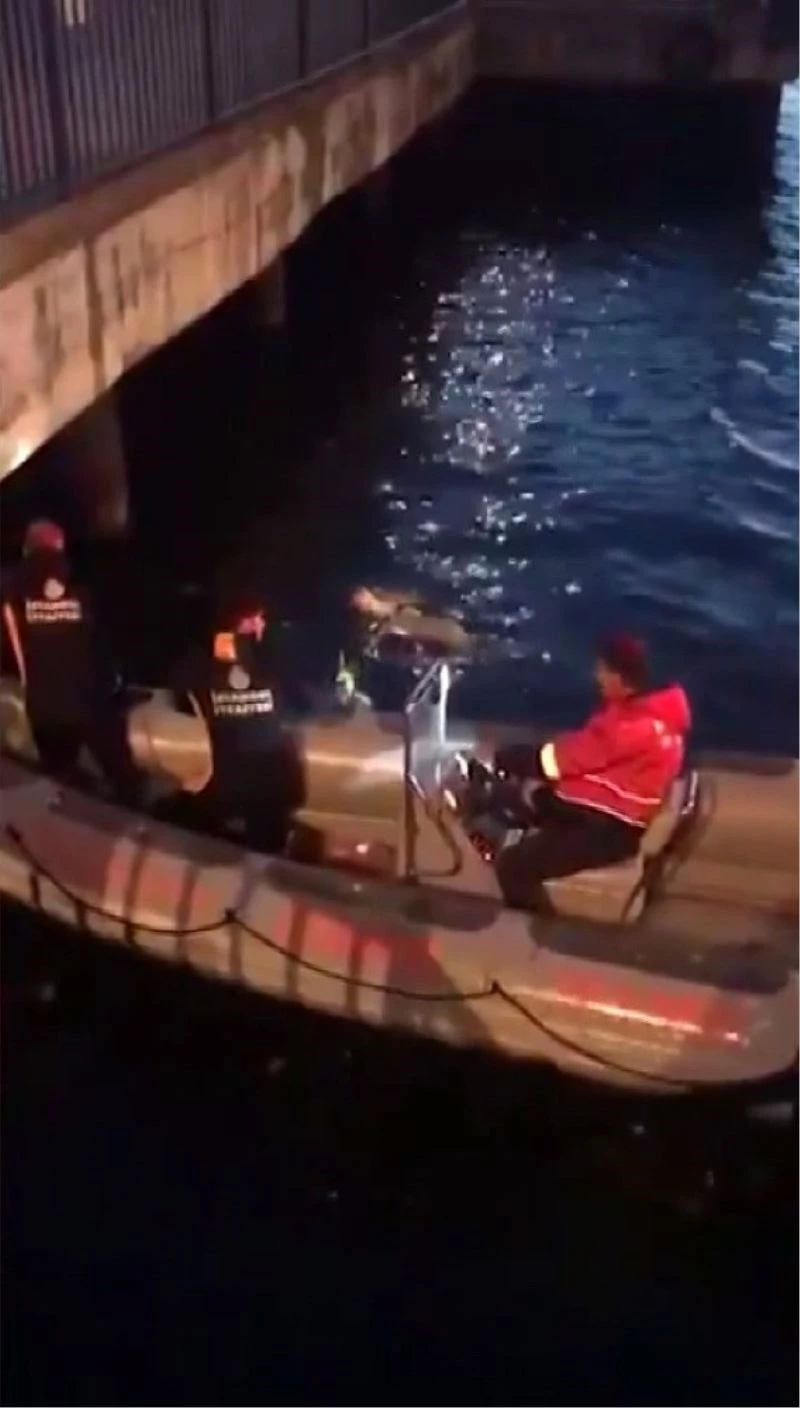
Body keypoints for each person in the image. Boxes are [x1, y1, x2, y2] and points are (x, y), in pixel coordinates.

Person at [492, 635, 692, 910]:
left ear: (622, 679)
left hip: (610, 831)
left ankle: (535, 924)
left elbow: (565, 759)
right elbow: (593, 756)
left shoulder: (633, 728)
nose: (597, 677)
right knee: (532, 800)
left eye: (603, 670)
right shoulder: (649, 712)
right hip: (606, 813)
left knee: (514, 866)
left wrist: (513, 758)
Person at [1, 519, 139, 801]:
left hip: (44, 708)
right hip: (92, 701)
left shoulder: (9, 585)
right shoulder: (83, 582)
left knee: (58, 779)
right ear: (60, 546)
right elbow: (105, 636)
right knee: (124, 779)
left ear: (27, 549)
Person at [170, 593, 303, 848]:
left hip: (227, 776)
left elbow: (181, 695)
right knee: (266, 846)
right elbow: (300, 703)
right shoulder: (271, 662)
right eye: (257, 620)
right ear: (246, 623)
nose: (262, 625)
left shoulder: (199, 662)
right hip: (267, 781)